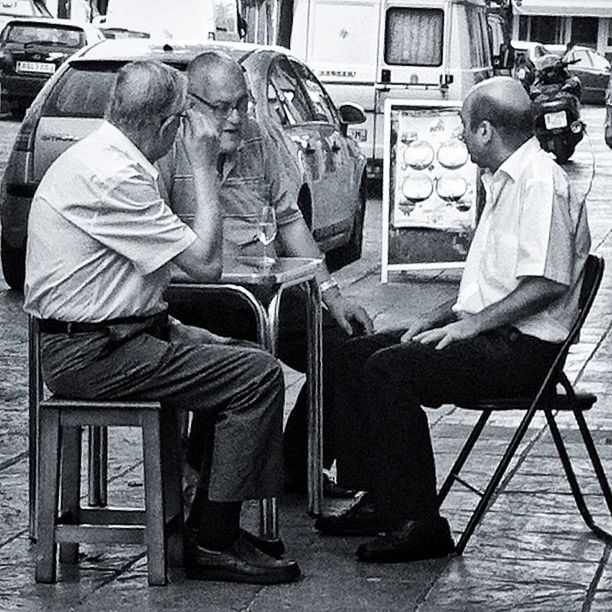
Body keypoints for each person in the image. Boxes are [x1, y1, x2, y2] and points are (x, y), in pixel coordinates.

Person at [23, 60, 300, 585]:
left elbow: (136, 280)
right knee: (257, 377)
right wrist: (201, 167)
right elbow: (204, 264)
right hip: (92, 353)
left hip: (118, 335)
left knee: (240, 358)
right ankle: (212, 540)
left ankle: (209, 519)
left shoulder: (104, 157)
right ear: (168, 125)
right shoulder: (115, 176)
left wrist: (181, 331)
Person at [315, 77, 591, 563]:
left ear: (485, 130)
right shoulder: (504, 179)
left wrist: (470, 325)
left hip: (525, 351)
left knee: (389, 370)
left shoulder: (539, 181)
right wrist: (438, 317)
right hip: (495, 331)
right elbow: (490, 285)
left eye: (465, 127)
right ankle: (382, 495)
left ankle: (420, 521)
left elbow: (545, 283)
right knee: (351, 351)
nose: (461, 137)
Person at [158, 51, 374, 497]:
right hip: (191, 291)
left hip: (260, 289)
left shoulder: (260, 139)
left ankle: (297, 463)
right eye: (222, 108)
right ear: (190, 104)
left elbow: (290, 219)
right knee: (238, 362)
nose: (236, 118)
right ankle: (204, 470)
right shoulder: (167, 145)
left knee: (346, 345)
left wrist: (332, 295)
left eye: (243, 104)